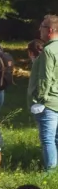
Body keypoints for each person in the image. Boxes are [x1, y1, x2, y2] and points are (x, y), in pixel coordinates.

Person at [28, 15, 58, 170]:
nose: (39, 29)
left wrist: (40, 99)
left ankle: (51, 172)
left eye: (42, 27)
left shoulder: (48, 51)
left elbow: (45, 78)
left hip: (50, 102)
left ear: (50, 30)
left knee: (48, 138)